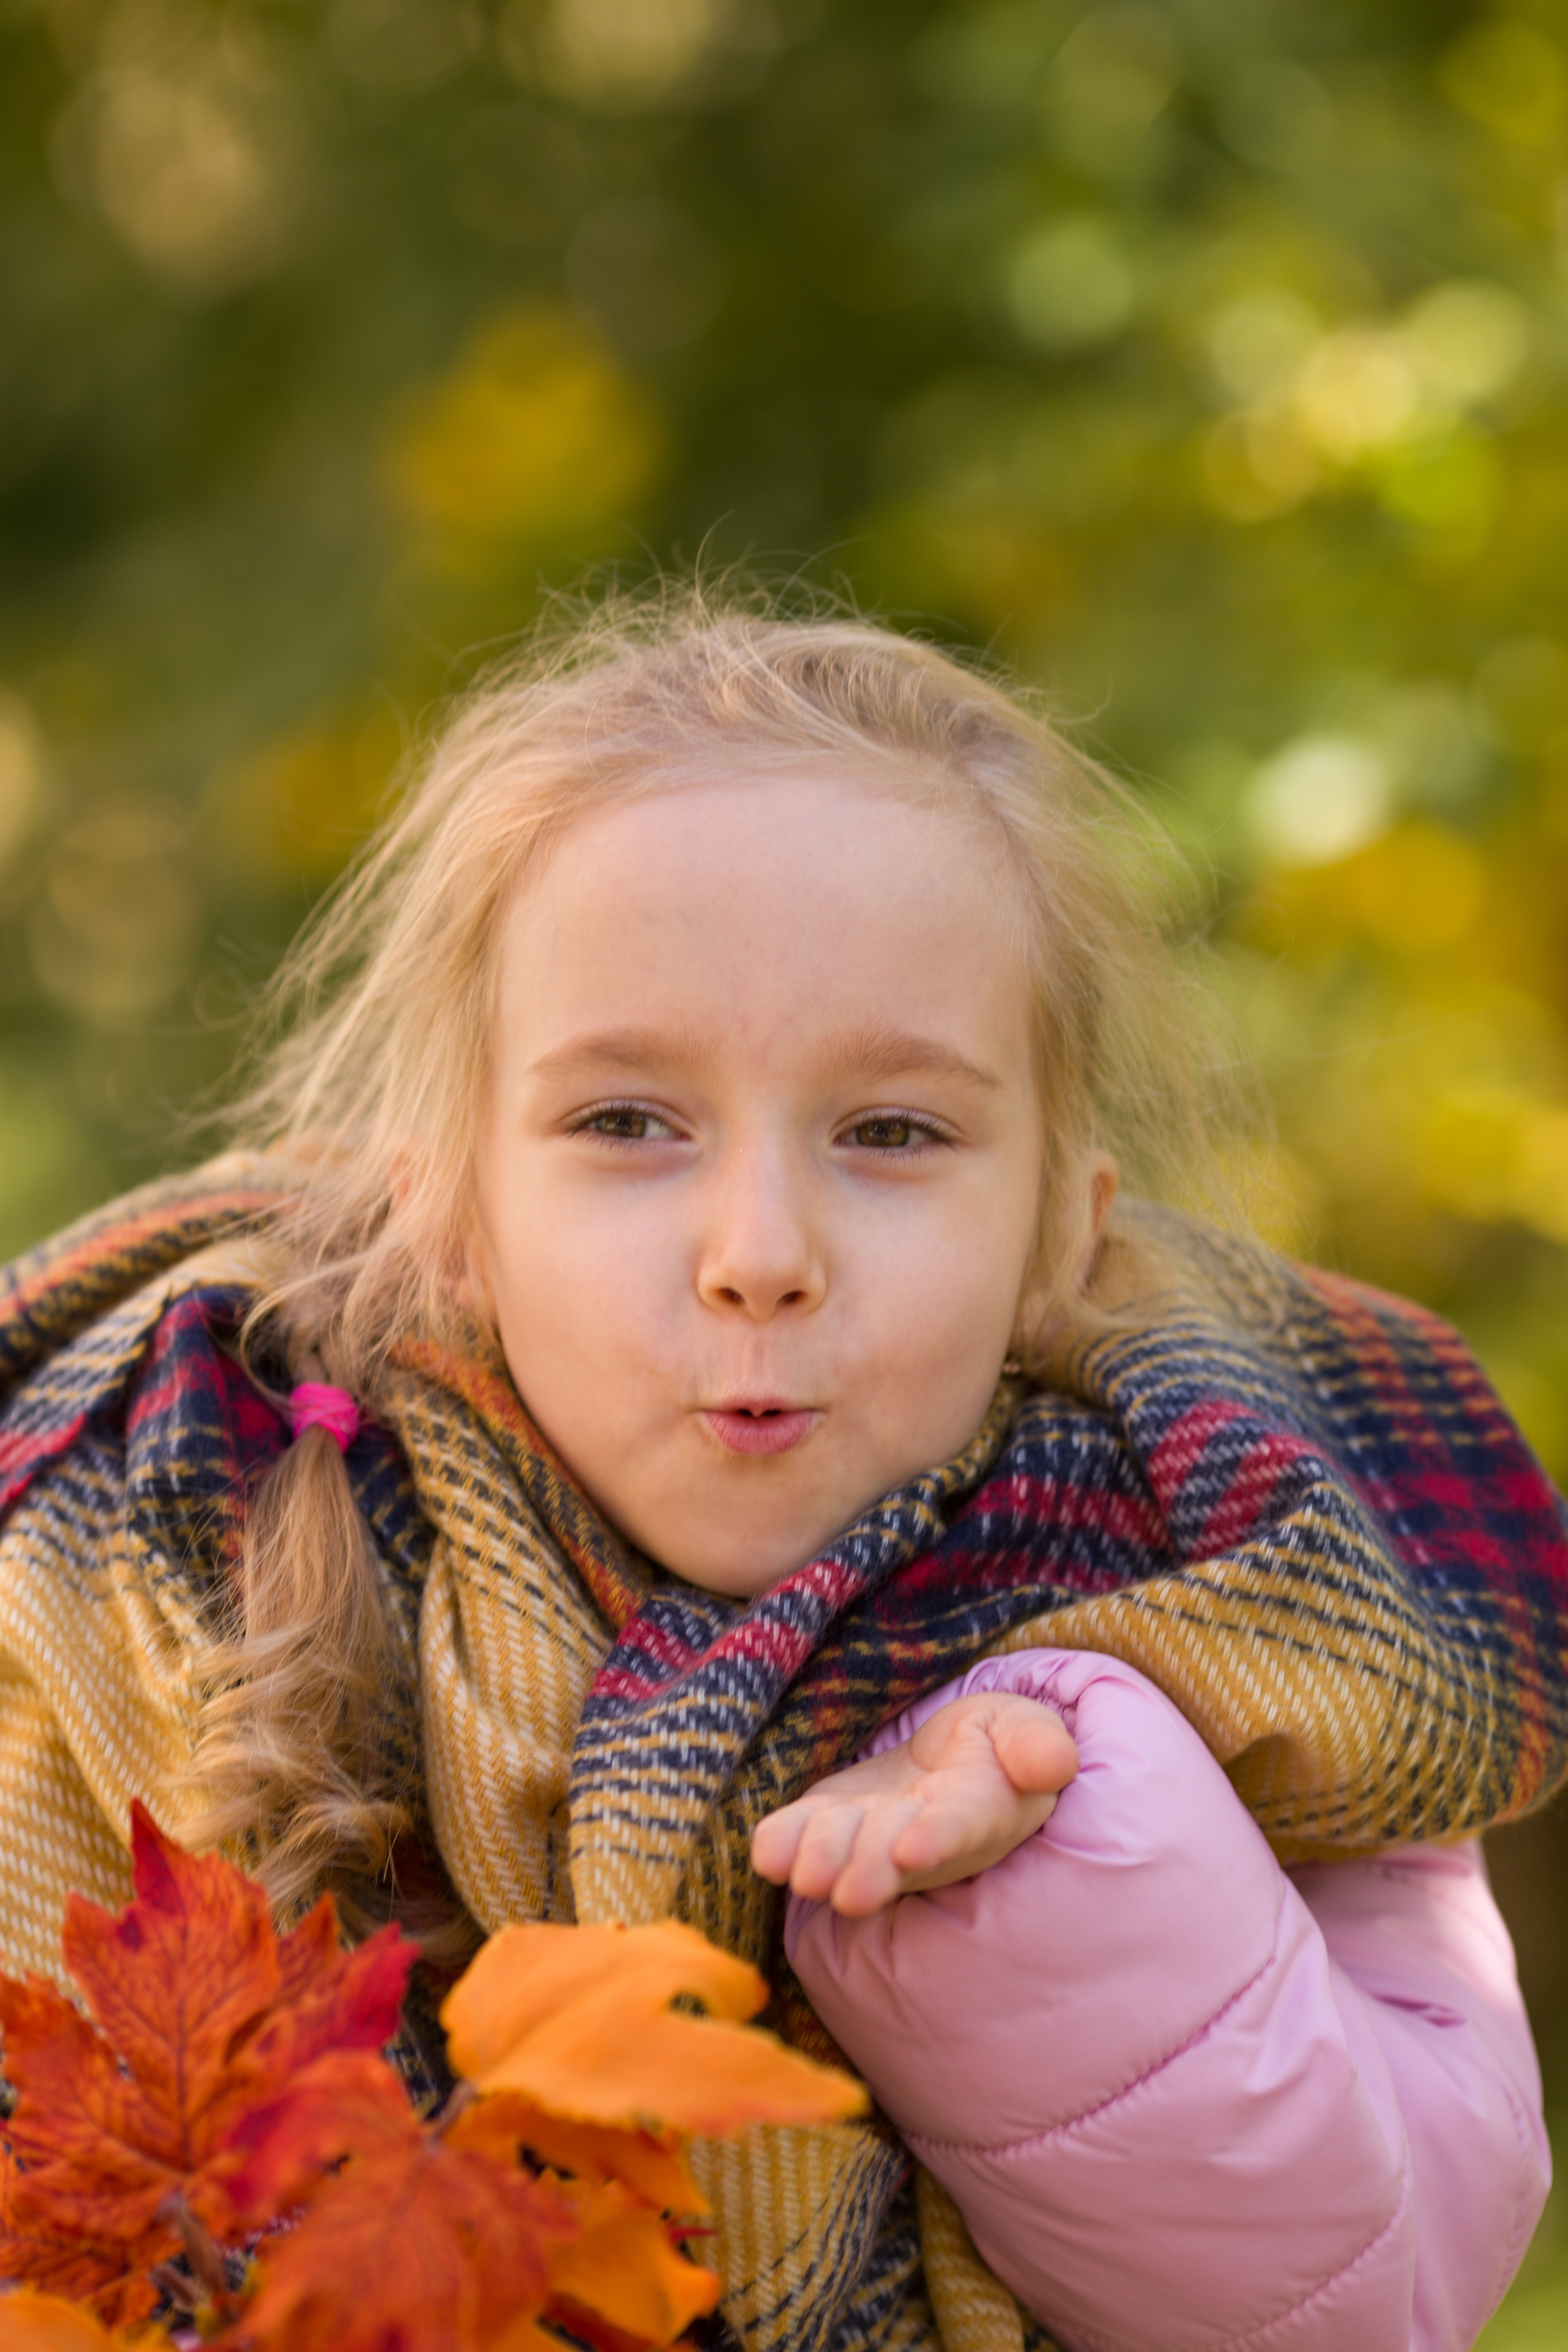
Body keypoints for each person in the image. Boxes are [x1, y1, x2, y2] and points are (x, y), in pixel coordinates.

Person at [0, 596, 1562, 2352]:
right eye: (626, 1124)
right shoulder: (150, 1570)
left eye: (892, 1132)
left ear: (1064, 1230)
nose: (760, 1252)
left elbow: (1376, 2294)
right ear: (448, 1204)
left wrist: (1055, 1869)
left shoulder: (1262, 1614)